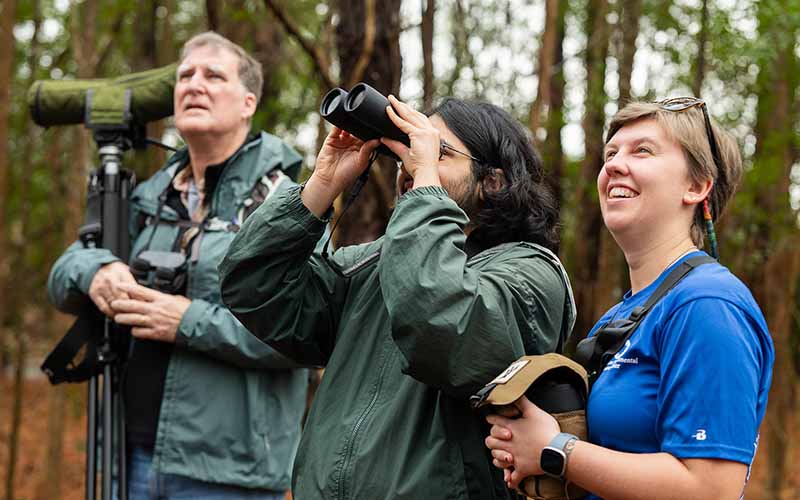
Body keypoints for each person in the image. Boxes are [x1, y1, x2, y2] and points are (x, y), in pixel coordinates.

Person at [219, 95, 575, 500]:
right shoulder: (372, 265)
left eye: (437, 152)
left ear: (492, 182)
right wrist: (323, 183)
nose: (410, 163)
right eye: (408, 149)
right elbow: (253, 287)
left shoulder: (530, 273)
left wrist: (426, 188)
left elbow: (442, 326)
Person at [47, 32, 308, 499]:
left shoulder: (289, 205)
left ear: (248, 103)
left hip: (228, 472)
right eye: (185, 75)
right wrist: (95, 271)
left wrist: (188, 321)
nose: (194, 84)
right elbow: (62, 275)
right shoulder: (147, 197)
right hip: (129, 456)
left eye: (213, 76)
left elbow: (306, 331)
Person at [484, 98, 774, 500]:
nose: (614, 165)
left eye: (642, 151)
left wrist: (557, 451)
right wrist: (528, 451)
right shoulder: (617, 318)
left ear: (696, 186)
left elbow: (711, 488)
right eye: (611, 154)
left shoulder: (708, 304)